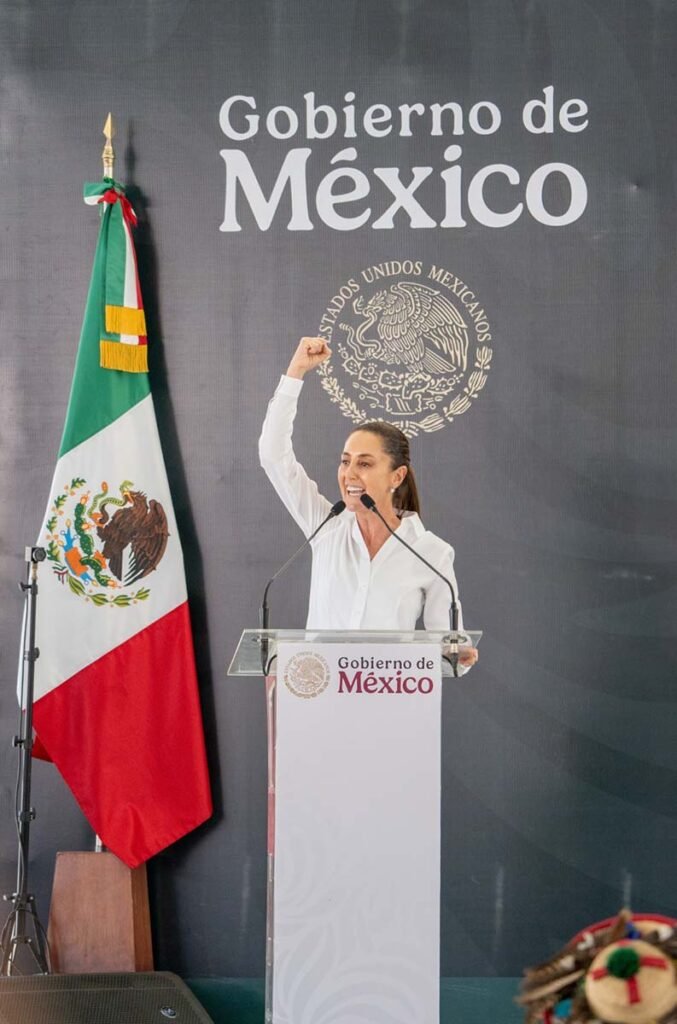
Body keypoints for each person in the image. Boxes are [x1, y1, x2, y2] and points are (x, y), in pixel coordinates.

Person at [259, 337, 478, 667]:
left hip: (391, 708)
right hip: (319, 703)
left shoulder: (432, 553)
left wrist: (457, 653)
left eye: (364, 463)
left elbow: (447, 643)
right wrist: (295, 374)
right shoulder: (326, 527)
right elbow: (273, 456)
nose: (349, 475)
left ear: (396, 476)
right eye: (345, 461)